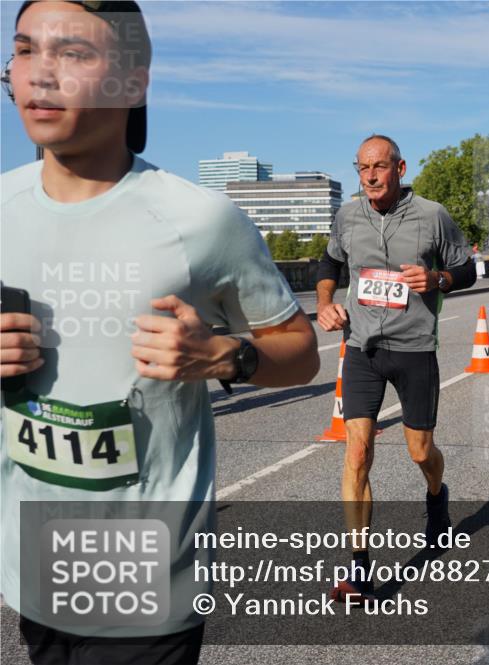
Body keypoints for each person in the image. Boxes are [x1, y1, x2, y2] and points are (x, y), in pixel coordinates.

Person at [1, 2, 319, 662]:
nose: (40, 74)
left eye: (73, 54)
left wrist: (224, 355)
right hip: (30, 564)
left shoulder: (200, 219)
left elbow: (302, 354)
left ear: (133, 81)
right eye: (26, 49)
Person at [316, 134, 477, 601]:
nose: (369, 175)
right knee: (358, 452)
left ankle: (436, 497)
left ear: (400, 168)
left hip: (414, 349)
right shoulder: (348, 214)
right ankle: (359, 569)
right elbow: (329, 262)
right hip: (362, 348)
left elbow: (466, 269)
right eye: (362, 167)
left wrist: (439, 278)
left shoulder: (432, 215)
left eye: (379, 167)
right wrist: (325, 302)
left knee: (421, 452)